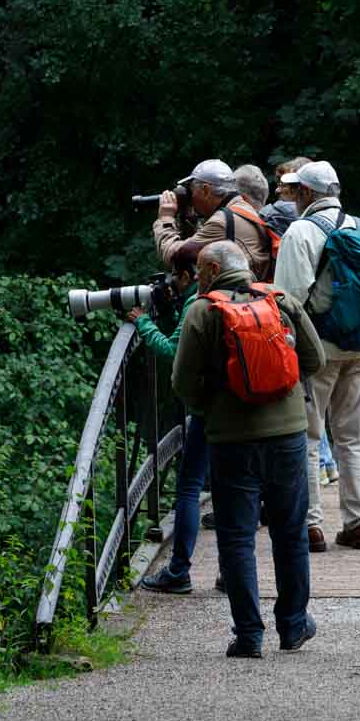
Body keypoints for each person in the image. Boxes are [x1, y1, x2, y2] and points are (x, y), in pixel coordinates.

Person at [172, 241, 325, 658]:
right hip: (288, 436)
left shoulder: (202, 312)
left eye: (203, 270)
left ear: (217, 269)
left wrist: (216, 408)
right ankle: (293, 626)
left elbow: (183, 384)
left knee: (237, 537)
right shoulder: (280, 299)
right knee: (290, 533)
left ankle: (248, 636)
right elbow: (315, 359)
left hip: (230, 440)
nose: (198, 278)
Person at [274, 160, 360, 552]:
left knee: (308, 434)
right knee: (353, 436)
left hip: (318, 350)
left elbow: (288, 300)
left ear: (306, 194)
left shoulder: (300, 231)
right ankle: (358, 522)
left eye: (296, 190)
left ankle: (310, 525)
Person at [131, 240, 208, 595]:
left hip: (209, 412)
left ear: (191, 274)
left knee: (189, 488)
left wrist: (144, 324)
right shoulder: (245, 292)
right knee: (236, 493)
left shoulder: (198, 301)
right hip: (250, 412)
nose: (173, 284)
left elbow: (172, 353)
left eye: (176, 277)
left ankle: (178, 572)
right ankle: (231, 575)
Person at [154, 159, 274, 280]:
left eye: (191, 190)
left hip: (238, 296)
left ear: (206, 190)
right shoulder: (241, 209)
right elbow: (194, 245)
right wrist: (189, 217)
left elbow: (175, 256)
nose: (191, 197)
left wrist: (166, 217)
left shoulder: (222, 221)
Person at [259, 156, 310, 235]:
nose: (277, 190)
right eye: (279, 183)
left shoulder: (273, 214)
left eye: (285, 185)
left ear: (303, 189)